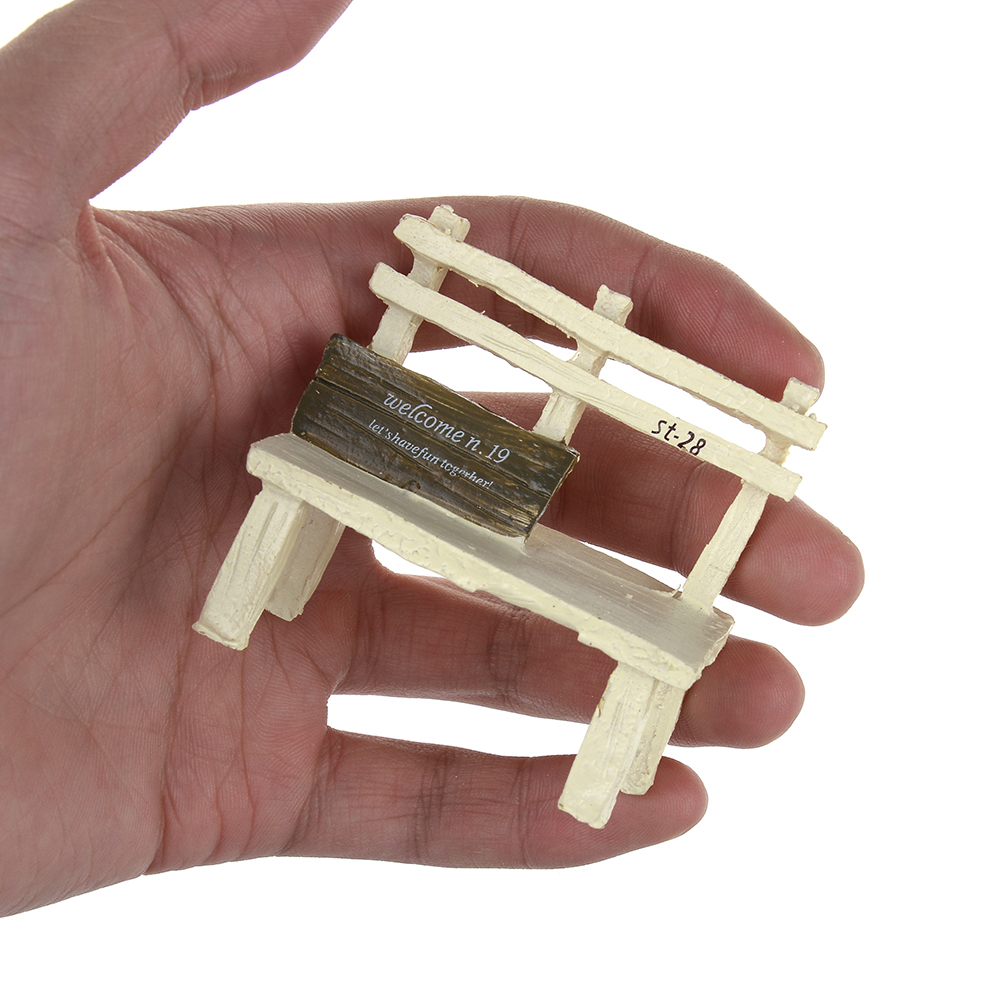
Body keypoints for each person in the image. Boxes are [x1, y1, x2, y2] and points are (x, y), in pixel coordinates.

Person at [0, 0, 863, 917]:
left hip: (461, 478)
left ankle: (609, 774)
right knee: (312, 467)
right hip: (364, 439)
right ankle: (250, 604)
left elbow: (695, 468)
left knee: (660, 636)